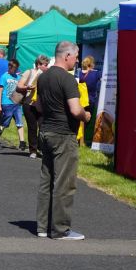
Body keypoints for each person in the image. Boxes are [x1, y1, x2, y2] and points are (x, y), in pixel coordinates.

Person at [35, 41, 91, 240]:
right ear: (66, 56)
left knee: (46, 181)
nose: (77, 61)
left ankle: (42, 227)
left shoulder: (43, 77)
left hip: (46, 132)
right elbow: (76, 110)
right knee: (64, 184)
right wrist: (86, 117)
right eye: (75, 57)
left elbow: (39, 107)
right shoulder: (67, 80)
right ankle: (60, 229)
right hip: (63, 135)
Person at [17, 55, 49, 159]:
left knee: (43, 127)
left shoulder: (47, 74)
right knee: (32, 127)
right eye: (45, 65)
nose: (47, 66)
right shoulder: (29, 72)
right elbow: (19, 85)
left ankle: (41, 147)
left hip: (43, 104)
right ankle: (33, 150)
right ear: (39, 64)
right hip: (29, 103)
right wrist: (28, 87)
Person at [0, 59, 25, 150]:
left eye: (17, 68)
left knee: (19, 122)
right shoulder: (4, 76)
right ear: (10, 67)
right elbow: (0, 91)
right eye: (14, 68)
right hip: (7, 103)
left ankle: (22, 142)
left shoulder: (18, 77)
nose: (15, 70)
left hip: (16, 104)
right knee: (4, 123)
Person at [79, 56, 101, 143]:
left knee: (80, 120)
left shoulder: (78, 73)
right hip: (90, 101)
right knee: (89, 120)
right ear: (90, 64)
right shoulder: (96, 73)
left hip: (79, 101)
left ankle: (80, 139)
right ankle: (86, 140)